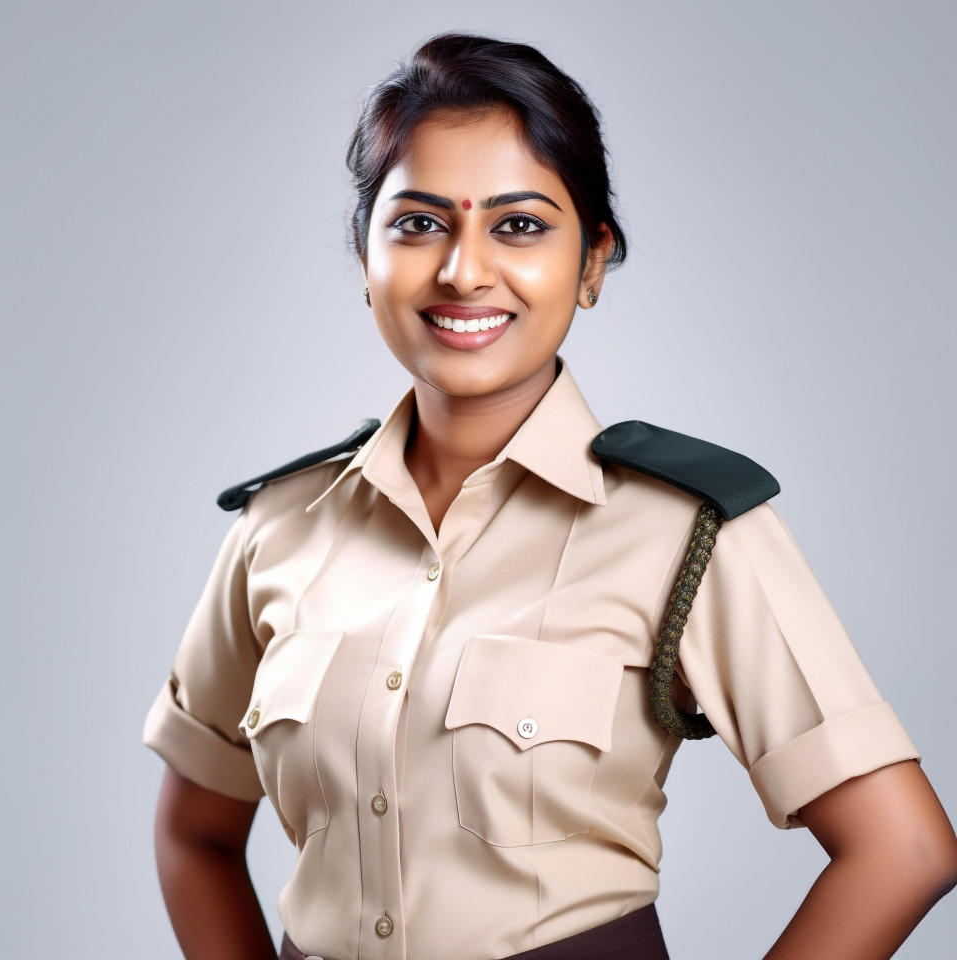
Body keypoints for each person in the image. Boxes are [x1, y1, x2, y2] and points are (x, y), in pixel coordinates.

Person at [145, 33, 957, 960]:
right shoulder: (279, 528)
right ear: (365, 258)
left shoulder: (683, 529)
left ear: (593, 259)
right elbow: (194, 835)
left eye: (519, 224)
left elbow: (903, 848)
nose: (462, 271)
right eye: (418, 223)